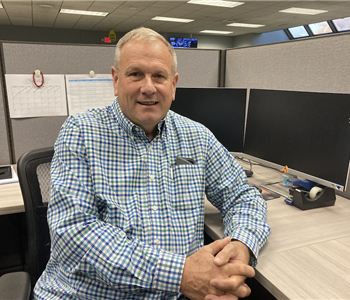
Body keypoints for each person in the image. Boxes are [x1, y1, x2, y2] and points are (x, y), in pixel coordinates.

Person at [34, 27, 270, 300]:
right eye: (135, 74)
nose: (148, 87)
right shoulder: (81, 132)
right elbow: (74, 233)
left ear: (173, 85)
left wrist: (241, 245)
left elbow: (243, 196)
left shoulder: (197, 137)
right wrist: (182, 274)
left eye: (159, 76)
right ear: (115, 79)